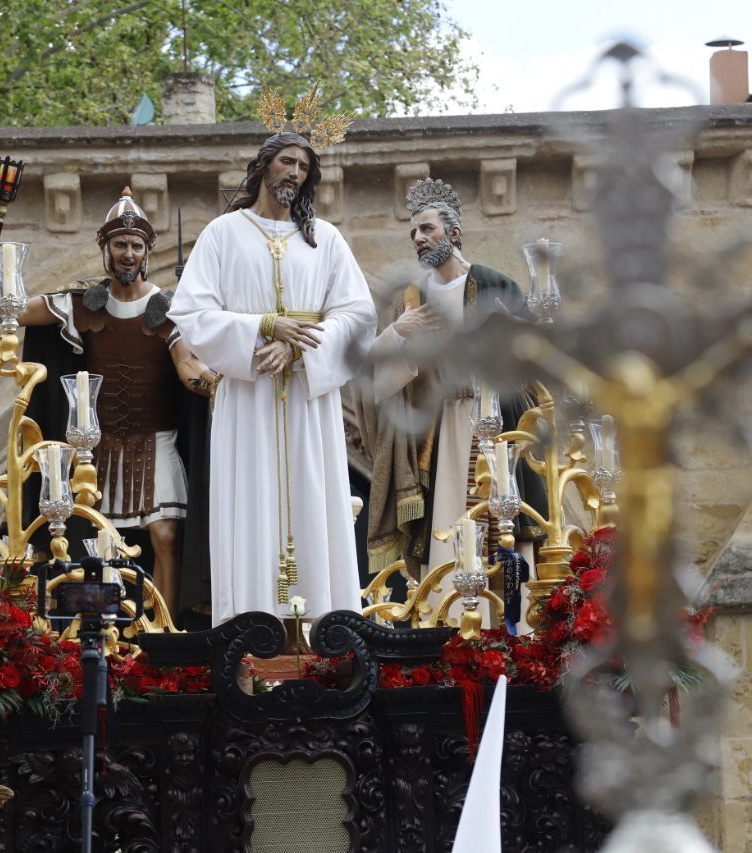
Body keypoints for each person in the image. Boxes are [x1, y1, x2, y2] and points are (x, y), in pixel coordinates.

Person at [0, 189, 214, 620]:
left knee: (164, 535)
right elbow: (13, 313)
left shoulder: (169, 309)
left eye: (136, 246)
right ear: (106, 249)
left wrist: (214, 386)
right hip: (94, 445)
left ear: (146, 252)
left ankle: (168, 627)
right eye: (120, 245)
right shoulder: (79, 304)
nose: (128, 253)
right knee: (92, 538)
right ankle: (101, 630)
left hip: (154, 440)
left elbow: (187, 364)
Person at [169, 131, 376, 624]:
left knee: (314, 500)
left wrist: (298, 347)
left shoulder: (326, 238)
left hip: (308, 396)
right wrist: (263, 327)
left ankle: (325, 631)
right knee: (250, 507)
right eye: (287, 161)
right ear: (264, 165)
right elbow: (191, 313)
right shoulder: (223, 234)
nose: (295, 173)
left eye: (304, 167)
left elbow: (359, 316)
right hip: (247, 395)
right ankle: (251, 629)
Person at [365, 178, 545, 610]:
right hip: (442, 430)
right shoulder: (412, 299)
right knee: (447, 522)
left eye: (427, 229)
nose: (418, 239)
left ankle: (509, 622)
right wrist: (398, 331)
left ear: (455, 233)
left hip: (498, 424)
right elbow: (377, 376)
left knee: (505, 518)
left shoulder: (494, 284)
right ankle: (450, 619)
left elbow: (535, 360)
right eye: (413, 233)